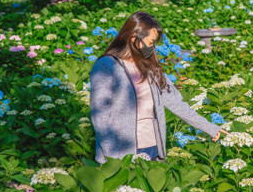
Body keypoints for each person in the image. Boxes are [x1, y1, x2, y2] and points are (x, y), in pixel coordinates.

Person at [89, 11, 229, 163]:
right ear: (134, 37)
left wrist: (210, 128)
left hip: (153, 148)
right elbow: (101, 117)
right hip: (121, 152)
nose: (152, 47)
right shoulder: (106, 66)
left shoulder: (150, 66)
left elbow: (177, 104)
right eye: (150, 42)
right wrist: (112, 157)